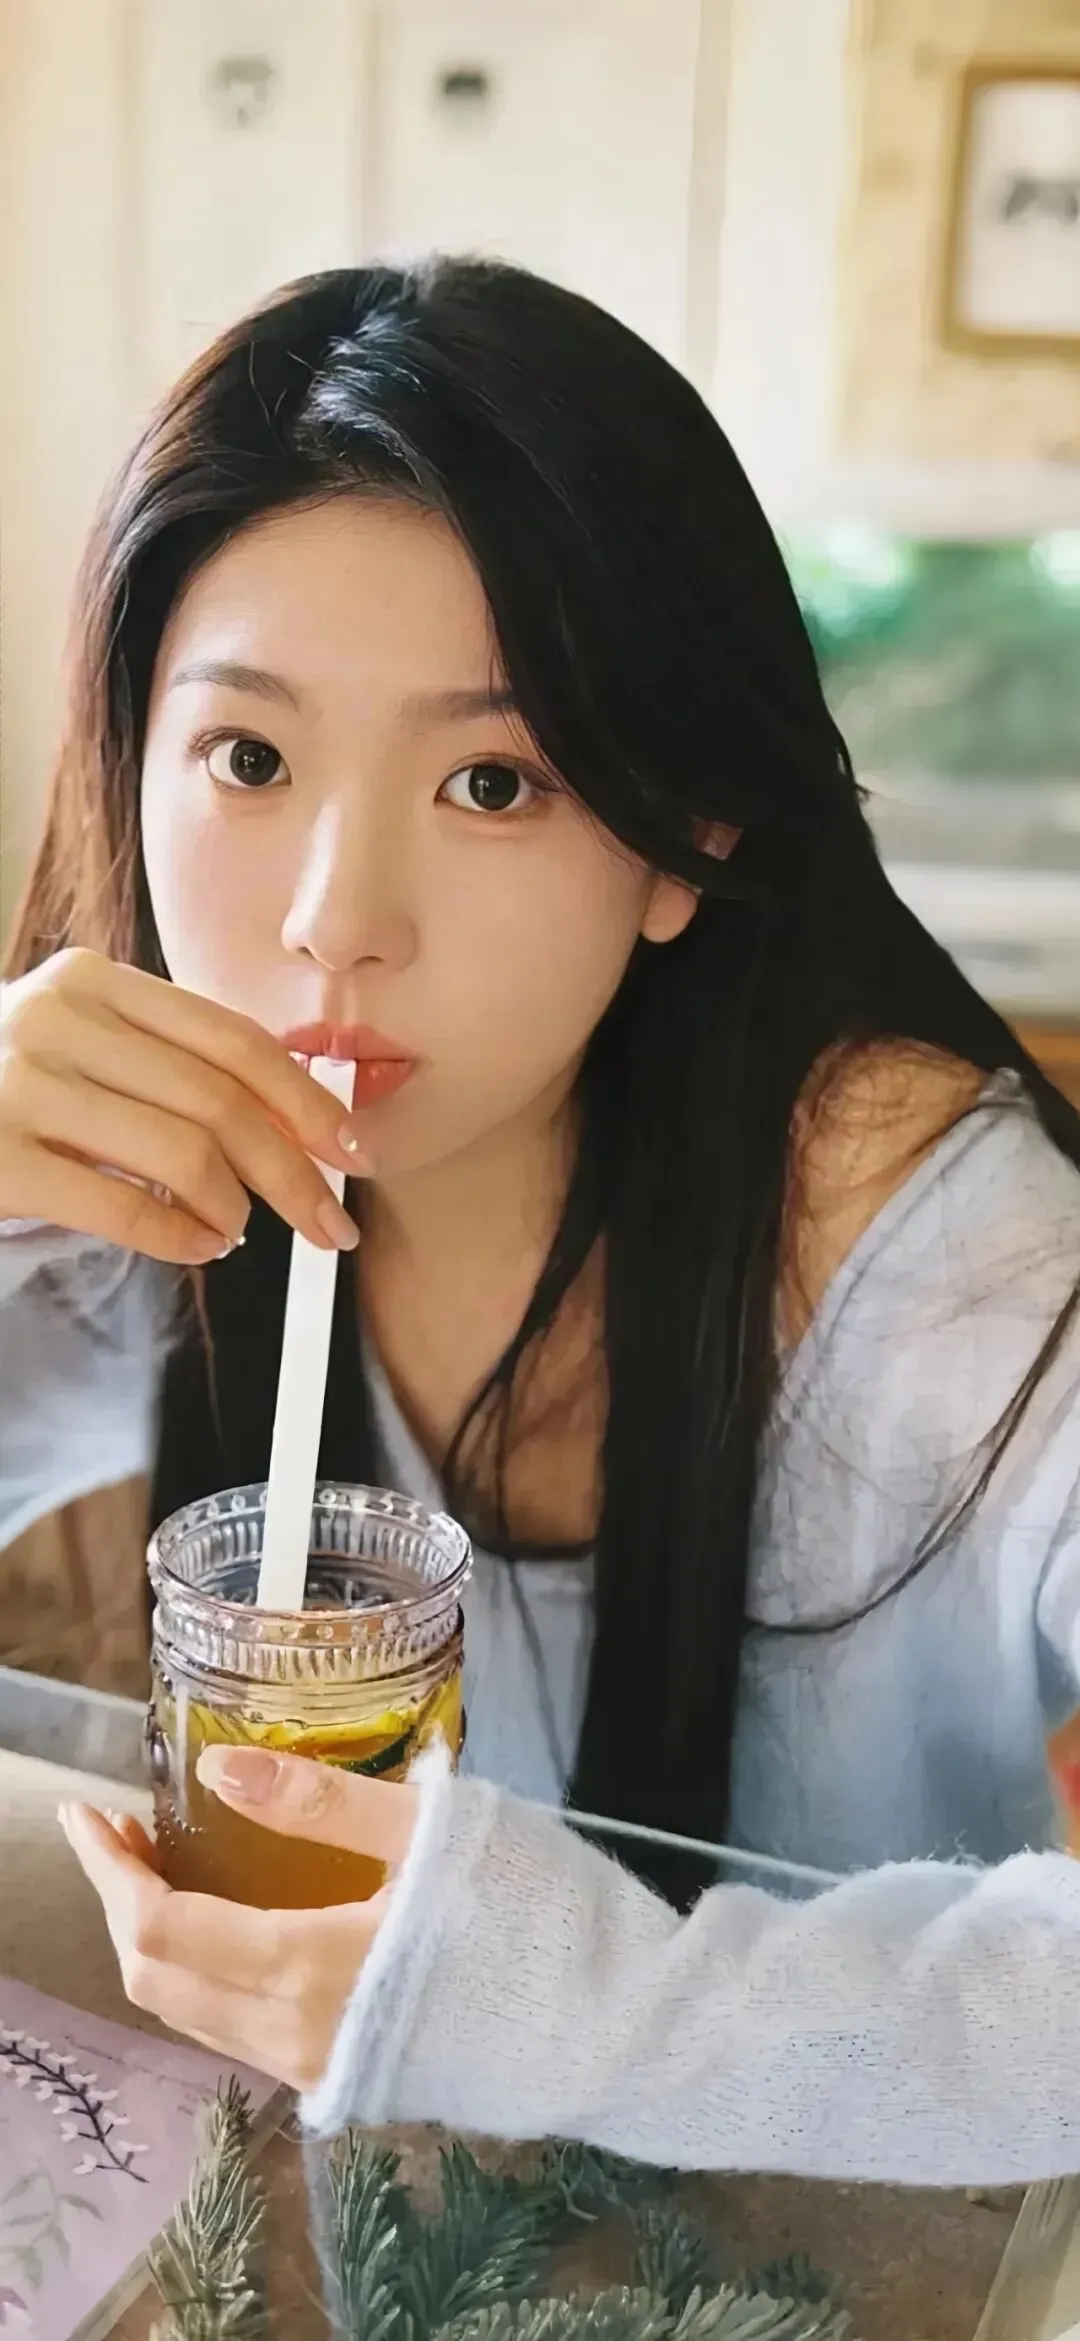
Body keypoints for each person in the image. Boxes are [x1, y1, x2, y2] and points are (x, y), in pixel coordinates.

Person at [5, 256, 1080, 2184]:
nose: (337, 920)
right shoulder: (118, 1187)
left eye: (492, 780)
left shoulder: (959, 1269)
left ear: (689, 839)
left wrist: (542, 1998)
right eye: (249, 759)